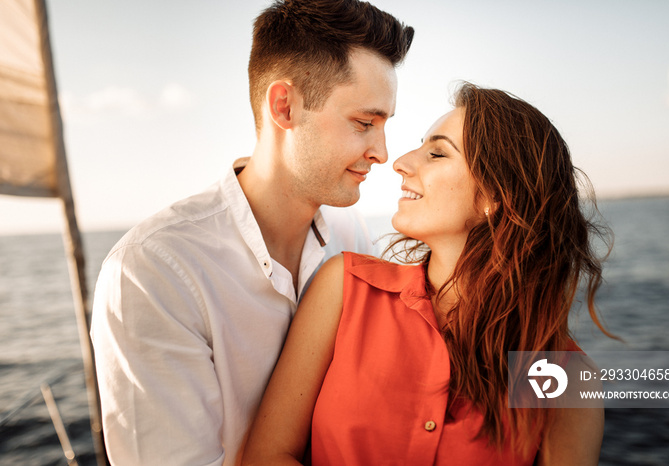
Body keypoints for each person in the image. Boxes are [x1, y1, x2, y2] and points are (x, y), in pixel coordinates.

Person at [90, 1, 414, 464]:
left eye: (384, 125)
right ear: (284, 106)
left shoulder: (351, 233)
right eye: (364, 123)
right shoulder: (152, 272)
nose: (382, 153)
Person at [241, 82, 613, 465]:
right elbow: (267, 456)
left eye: (436, 153)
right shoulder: (344, 288)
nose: (400, 161)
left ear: (492, 197)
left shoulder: (563, 373)